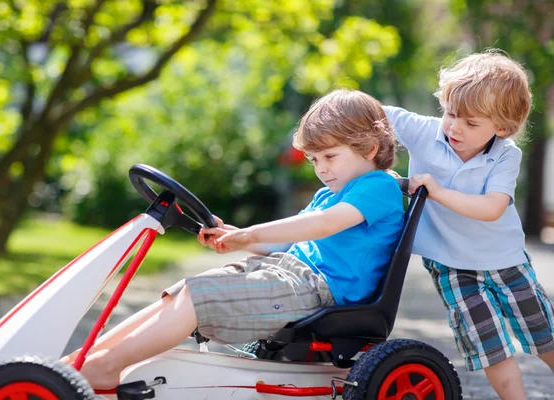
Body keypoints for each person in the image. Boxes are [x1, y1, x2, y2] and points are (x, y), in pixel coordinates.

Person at [62, 89, 405, 389]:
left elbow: (323, 226)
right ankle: (86, 359)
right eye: (314, 160)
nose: (321, 169)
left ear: (369, 148)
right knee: (181, 292)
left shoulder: (379, 186)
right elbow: (283, 244)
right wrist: (235, 238)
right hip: (284, 271)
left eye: (330, 157)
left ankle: (107, 368)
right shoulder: (329, 193)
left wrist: (250, 233)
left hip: (317, 288)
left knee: (199, 296)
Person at [384, 50, 554, 399]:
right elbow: (371, 112)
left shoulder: (506, 155)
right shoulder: (423, 132)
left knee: (544, 337)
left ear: (502, 128)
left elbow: (493, 207)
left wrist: (437, 191)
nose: (455, 127)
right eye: (450, 113)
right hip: (452, 269)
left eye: (471, 123)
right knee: (490, 349)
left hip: (506, 262)